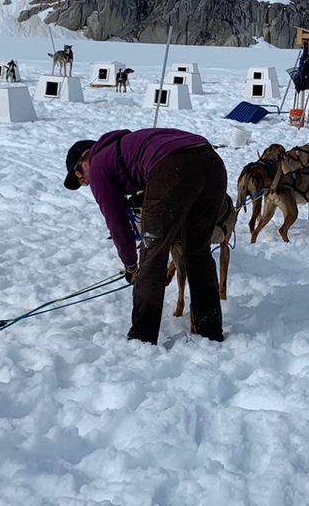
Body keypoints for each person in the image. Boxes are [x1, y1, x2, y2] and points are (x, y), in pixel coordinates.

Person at [63, 128, 227, 344]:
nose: (85, 181)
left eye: (79, 175)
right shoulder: (126, 147)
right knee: (198, 251)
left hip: (173, 165)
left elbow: (117, 222)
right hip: (212, 161)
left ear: (86, 155)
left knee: (152, 259)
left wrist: (131, 265)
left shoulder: (99, 162)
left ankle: (142, 339)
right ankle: (210, 330)